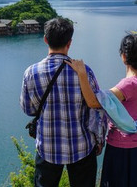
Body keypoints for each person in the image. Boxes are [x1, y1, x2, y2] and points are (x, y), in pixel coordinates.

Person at [67, 34, 137, 187]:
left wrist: (81, 74)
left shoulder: (128, 84)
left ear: (123, 56)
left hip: (122, 147)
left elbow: (94, 102)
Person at [20, 17, 103, 187]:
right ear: (69, 42)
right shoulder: (84, 72)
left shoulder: (31, 73)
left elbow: (28, 109)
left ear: (45, 39)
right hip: (82, 146)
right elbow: (96, 107)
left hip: (48, 148)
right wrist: (99, 139)